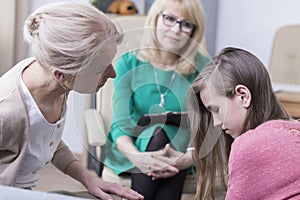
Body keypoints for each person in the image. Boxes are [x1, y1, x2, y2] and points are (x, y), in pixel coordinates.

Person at [0, 2, 144, 200]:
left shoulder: (48, 76)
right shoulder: (5, 112)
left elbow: (47, 140)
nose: (113, 73)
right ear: (61, 75)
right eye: (100, 68)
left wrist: (90, 179)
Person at [103, 0, 210, 199]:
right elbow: (121, 124)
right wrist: (139, 158)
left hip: (184, 150)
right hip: (132, 145)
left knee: (165, 134)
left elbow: (212, 123)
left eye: (186, 24)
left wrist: (188, 158)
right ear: (155, 19)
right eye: (169, 18)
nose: (176, 29)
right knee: (157, 133)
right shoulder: (129, 62)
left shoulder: (203, 67)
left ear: (194, 32)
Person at [188, 47, 300, 199]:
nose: (215, 122)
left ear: (243, 96)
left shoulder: (250, 146)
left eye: (216, 109)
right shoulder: (292, 132)